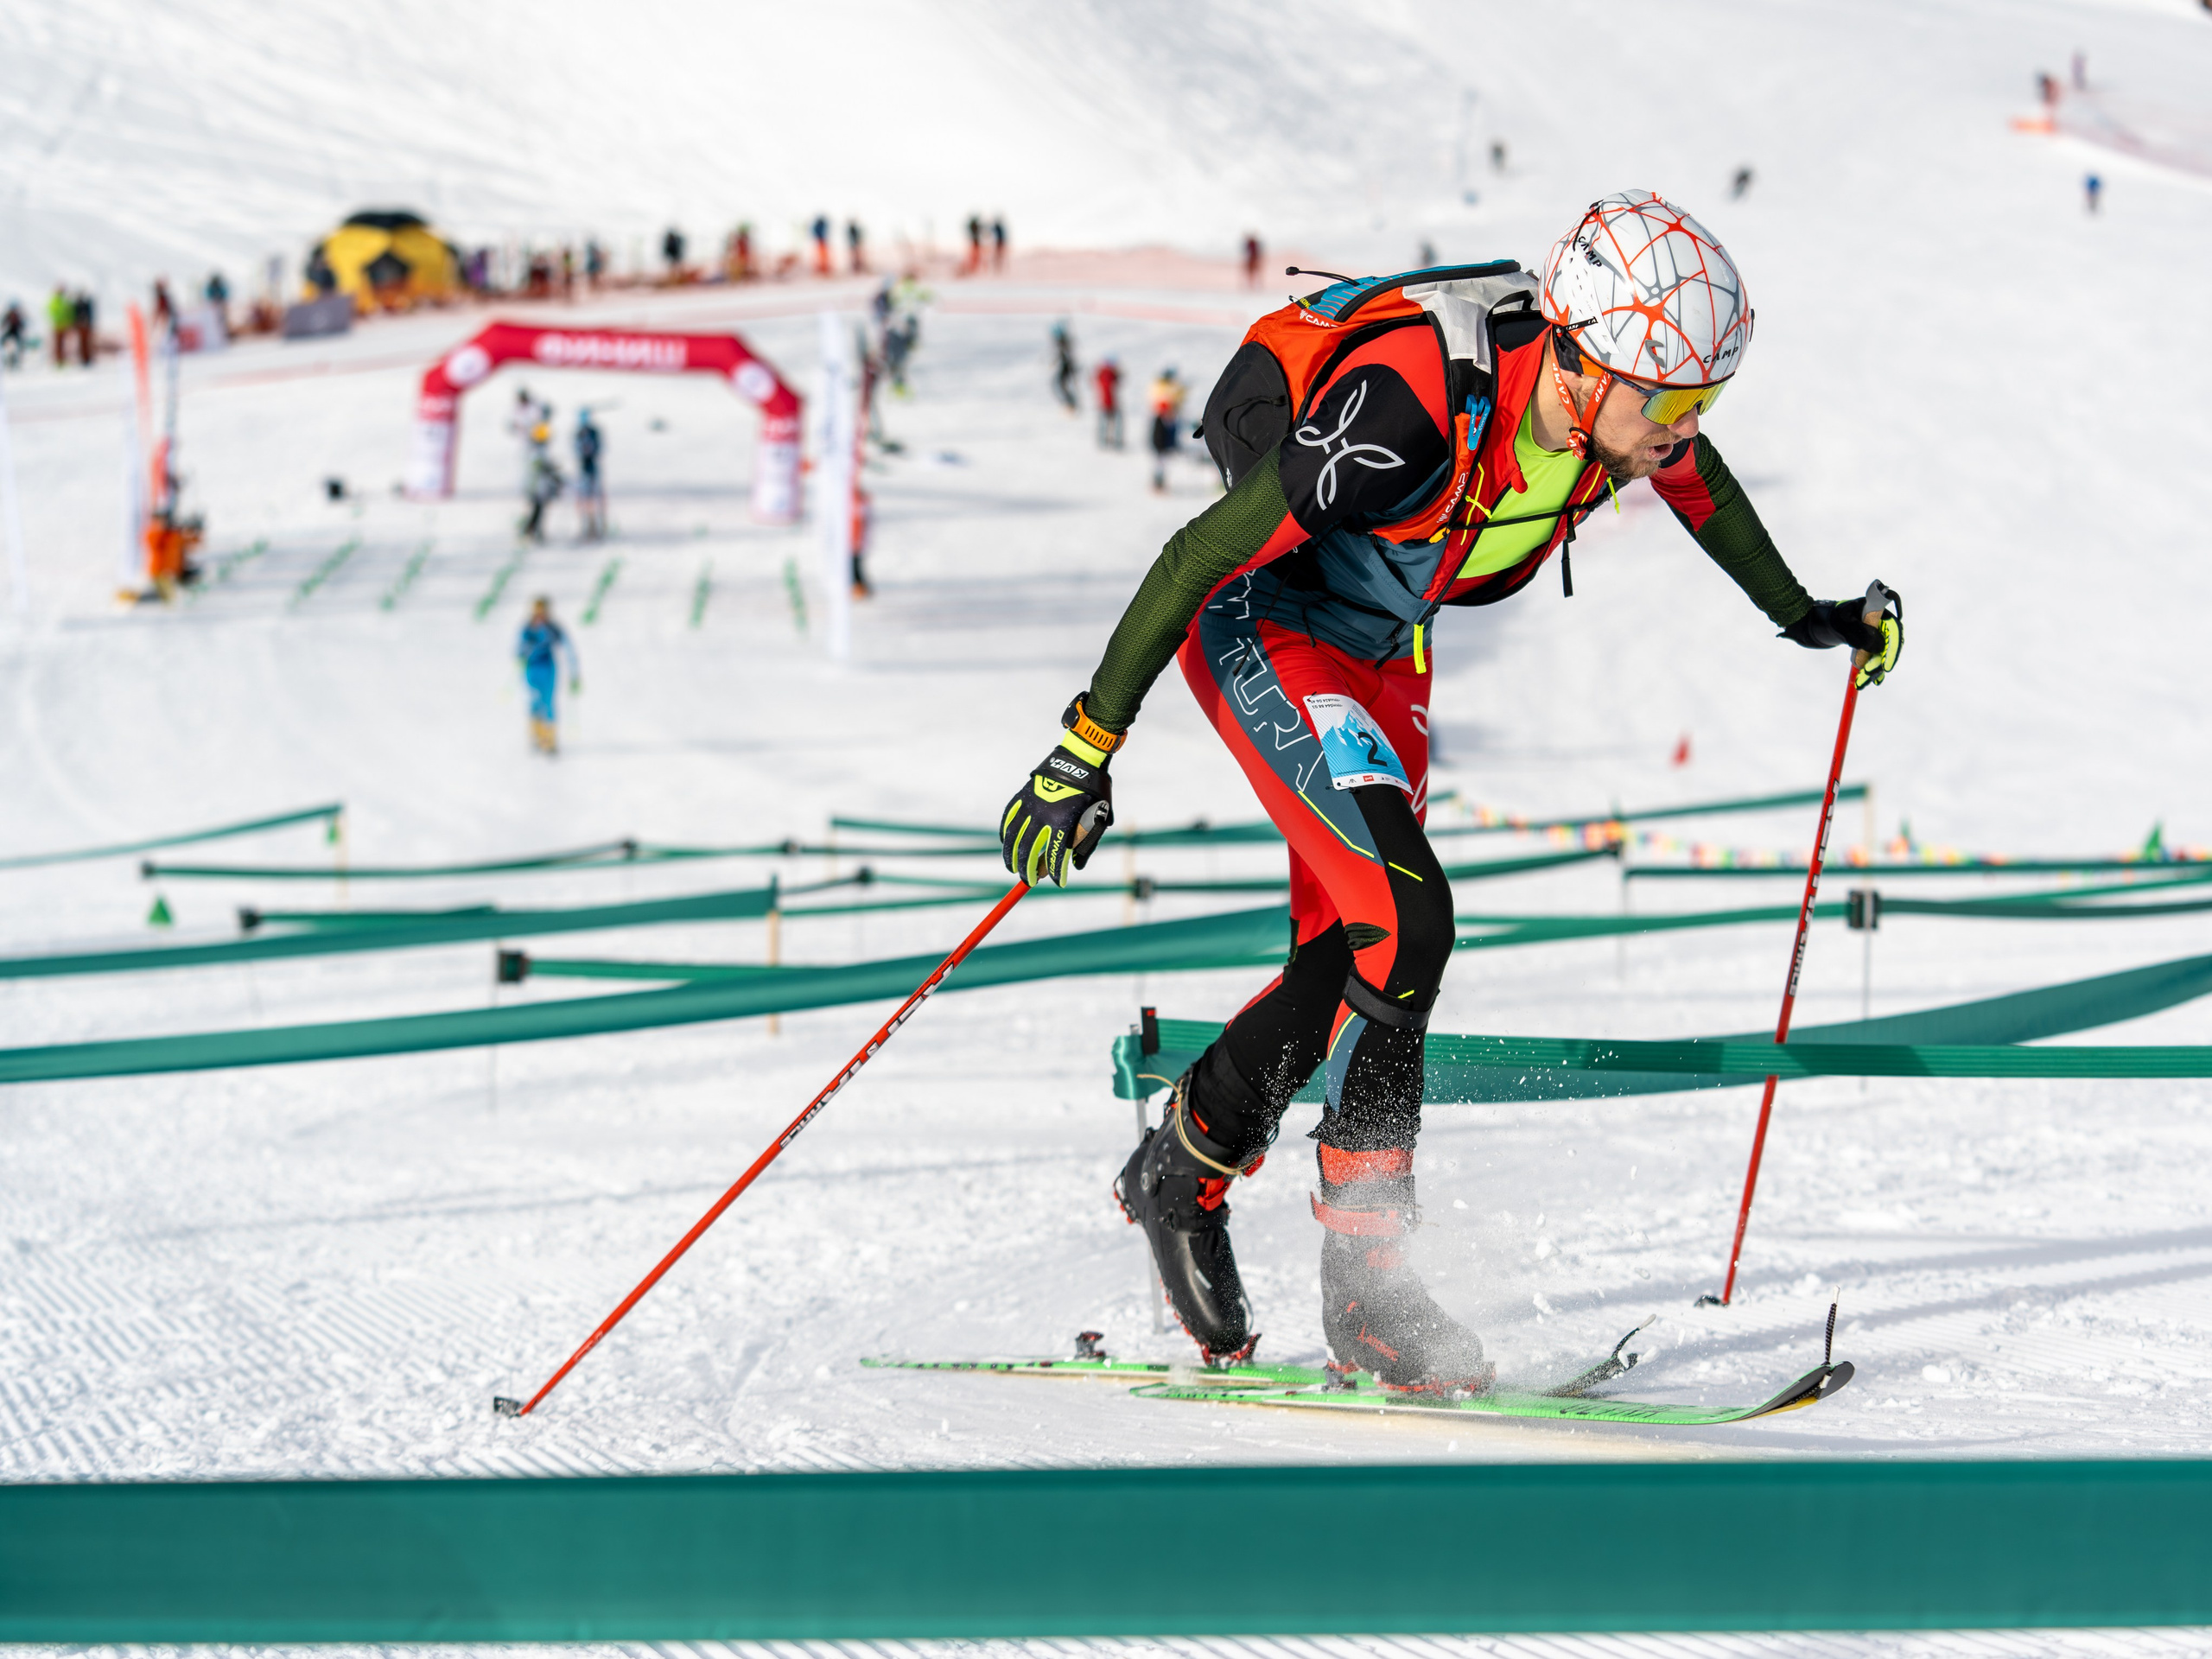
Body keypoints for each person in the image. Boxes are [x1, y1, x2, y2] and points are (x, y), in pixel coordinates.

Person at [995, 191, 1904, 1387]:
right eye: (1672, 403)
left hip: (1386, 649)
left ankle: (1185, 1166)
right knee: (1410, 919)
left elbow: (1705, 497)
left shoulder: (1628, 415)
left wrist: (1808, 618)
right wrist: (1084, 747)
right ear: (1582, 365)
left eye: (1705, 403)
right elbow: (1199, 553)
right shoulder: (1412, 404)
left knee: (1365, 955)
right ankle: (1369, 1287)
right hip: (1270, 623)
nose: (1685, 431)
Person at [516, 597, 580, 755]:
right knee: (534, 701)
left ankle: (549, 740)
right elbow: (518, 650)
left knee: (549, 702)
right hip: (532, 669)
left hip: (548, 668)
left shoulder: (553, 628)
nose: (540, 615)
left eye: (543, 611)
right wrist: (523, 655)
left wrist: (574, 673)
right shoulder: (528, 629)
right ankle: (536, 736)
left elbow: (568, 647)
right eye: (538, 611)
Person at [1147, 366, 1185, 492]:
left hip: (1163, 446)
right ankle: (1158, 483)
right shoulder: (1161, 419)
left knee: (1162, 463)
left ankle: (1159, 482)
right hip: (1160, 447)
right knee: (1160, 463)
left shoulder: (1169, 419)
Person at [574, 408, 606, 539]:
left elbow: (599, 448)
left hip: (592, 468)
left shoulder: (594, 432)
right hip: (583, 468)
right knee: (583, 499)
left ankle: (596, 527)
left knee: (595, 498)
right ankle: (585, 527)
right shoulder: (578, 433)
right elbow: (576, 449)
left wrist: (590, 450)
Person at [1094, 354, 1123, 448]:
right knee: (1106, 424)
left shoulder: (1105, 374)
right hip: (1107, 404)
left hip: (1110, 403)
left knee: (1112, 423)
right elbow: (1110, 384)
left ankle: (1111, 441)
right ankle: (1106, 442)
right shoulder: (1106, 374)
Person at [1052, 321, 1079, 412]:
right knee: (1061, 385)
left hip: (1065, 367)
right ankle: (1069, 403)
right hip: (1065, 367)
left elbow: (1065, 356)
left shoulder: (1063, 344)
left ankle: (1070, 403)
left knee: (1061, 385)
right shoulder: (1063, 344)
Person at [47, 286, 73, 366]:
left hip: (64, 325)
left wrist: (69, 322)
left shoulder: (65, 301)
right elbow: (51, 311)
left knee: (65, 344)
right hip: (57, 325)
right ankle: (58, 361)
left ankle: (63, 360)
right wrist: (56, 318)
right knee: (58, 344)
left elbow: (69, 313)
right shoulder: (55, 301)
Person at [1, 301, 24, 370]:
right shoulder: (9, 315)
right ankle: (6, 359)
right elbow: (3, 322)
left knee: (19, 345)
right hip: (10, 332)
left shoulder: (17, 315)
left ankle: (16, 360)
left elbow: (21, 324)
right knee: (4, 343)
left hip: (15, 332)